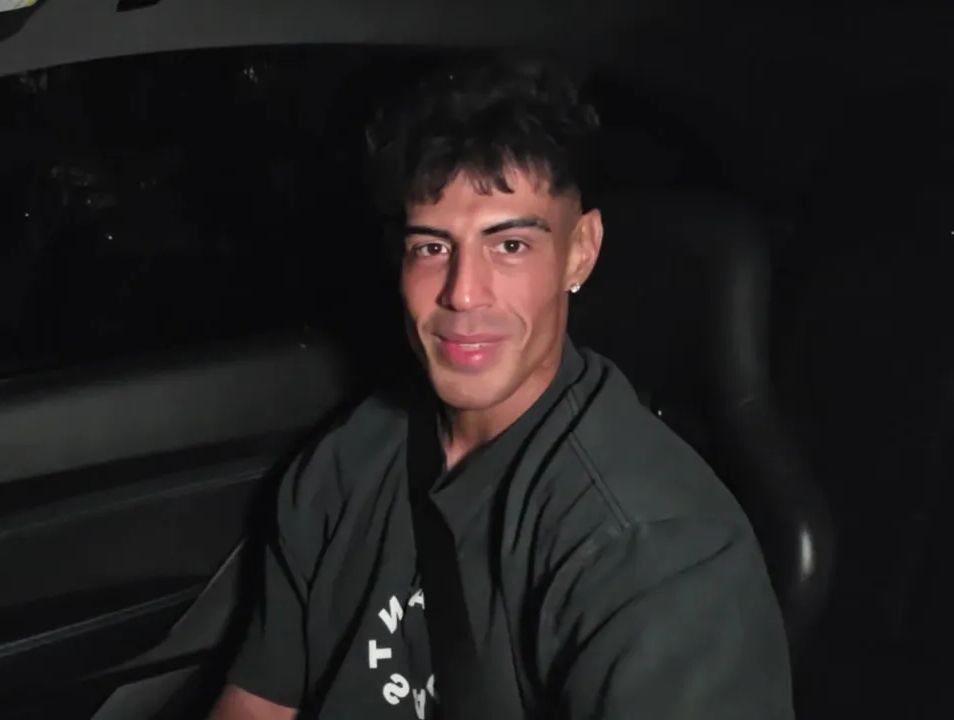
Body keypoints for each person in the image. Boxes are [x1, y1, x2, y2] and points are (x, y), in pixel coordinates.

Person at [210, 57, 793, 719]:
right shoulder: (349, 459)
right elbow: (256, 705)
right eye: (432, 247)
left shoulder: (654, 550)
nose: (462, 293)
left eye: (510, 245)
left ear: (580, 251)